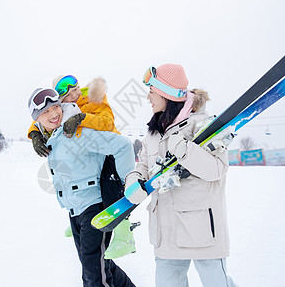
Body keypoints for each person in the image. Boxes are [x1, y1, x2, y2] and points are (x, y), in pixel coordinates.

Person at [124, 64, 237, 287]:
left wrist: (183, 149)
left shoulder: (203, 125)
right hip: (165, 233)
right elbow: (142, 167)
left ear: (167, 94)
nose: (148, 98)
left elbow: (216, 170)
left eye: (151, 92)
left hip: (202, 231)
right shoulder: (154, 132)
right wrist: (133, 181)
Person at [28, 87, 136, 287]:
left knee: (93, 277)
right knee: (102, 266)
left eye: (55, 108)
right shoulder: (51, 138)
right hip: (75, 211)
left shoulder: (79, 133)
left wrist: (126, 184)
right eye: (45, 112)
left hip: (94, 209)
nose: (53, 114)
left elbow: (123, 146)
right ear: (37, 119)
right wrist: (35, 136)